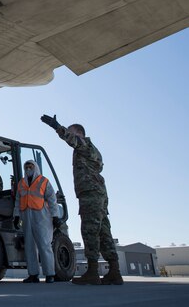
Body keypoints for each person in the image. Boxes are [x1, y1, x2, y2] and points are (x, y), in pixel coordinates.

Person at [41, 114, 123, 285]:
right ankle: (115, 271)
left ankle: (92, 272)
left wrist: (57, 126)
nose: (69, 137)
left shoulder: (84, 144)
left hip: (91, 195)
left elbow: (72, 140)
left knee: (89, 230)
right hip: (98, 194)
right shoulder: (88, 150)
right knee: (103, 232)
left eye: (72, 133)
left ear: (79, 133)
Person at [13, 160, 59, 283]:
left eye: (30, 166)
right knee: (29, 246)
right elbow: (18, 200)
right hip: (26, 216)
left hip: (42, 216)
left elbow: (52, 199)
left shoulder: (43, 181)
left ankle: (50, 274)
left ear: (35, 168)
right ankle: (33, 274)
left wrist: (55, 216)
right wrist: (16, 216)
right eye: (26, 166)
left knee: (44, 245)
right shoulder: (21, 183)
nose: (28, 168)